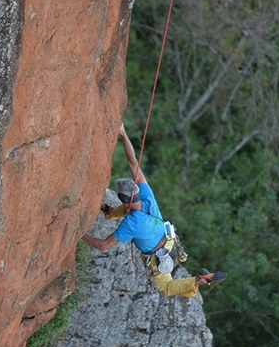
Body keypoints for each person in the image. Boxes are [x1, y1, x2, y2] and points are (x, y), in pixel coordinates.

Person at [82, 123, 227, 298]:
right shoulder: (146, 195)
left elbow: (104, 246)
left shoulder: (131, 222)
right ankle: (106, 209)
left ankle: (197, 281)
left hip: (158, 254)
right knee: (117, 214)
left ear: (125, 201)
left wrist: (79, 234)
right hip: (167, 239)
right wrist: (123, 132)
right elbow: (133, 163)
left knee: (166, 288)